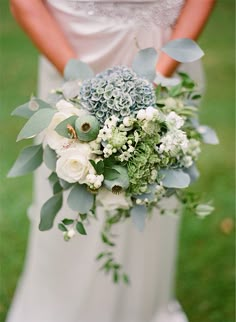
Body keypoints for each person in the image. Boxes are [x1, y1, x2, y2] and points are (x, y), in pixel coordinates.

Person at [7, 1, 215, 322]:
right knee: (70, 205)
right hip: (72, 47)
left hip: (162, 48)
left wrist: (157, 78)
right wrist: (82, 88)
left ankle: (143, 309)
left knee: (150, 194)